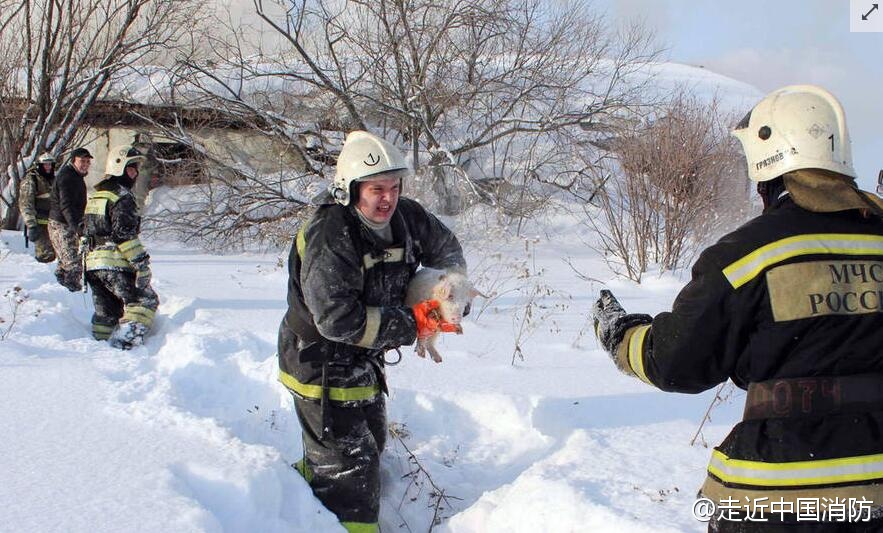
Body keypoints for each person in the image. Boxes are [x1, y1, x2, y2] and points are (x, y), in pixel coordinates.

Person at [593, 85, 883, 531]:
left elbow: (675, 363)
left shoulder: (747, 255)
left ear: (765, 167)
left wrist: (620, 335)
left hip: (780, 499)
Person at [277, 130, 466, 532]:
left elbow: (446, 247)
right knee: (352, 483)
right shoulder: (331, 234)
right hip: (319, 364)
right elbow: (337, 319)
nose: (388, 199)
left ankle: (302, 485)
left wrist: (452, 288)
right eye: (376, 188)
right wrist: (417, 321)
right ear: (350, 189)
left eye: (394, 187)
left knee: (372, 447)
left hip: (364, 358)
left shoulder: (408, 218)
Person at [82, 145, 158, 349]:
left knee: (107, 312)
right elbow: (124, 234)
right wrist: (141, 264)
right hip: (114, 262)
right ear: (119, 167)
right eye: (131, 168)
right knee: (145, 301)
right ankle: (124, 343)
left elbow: (85, 230)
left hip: (92, 265)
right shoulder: (122, 196)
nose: (135, 173)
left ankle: (98, 347)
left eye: (136, 169)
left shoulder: (97, 195)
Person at [48, 147, 92, 291]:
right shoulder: (67, 178)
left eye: (87, 161)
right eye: (82, 161)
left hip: (69, 223)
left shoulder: (76, 176)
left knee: (65, 263)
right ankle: (71, 295)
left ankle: (59, 290)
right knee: (73, 264)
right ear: (73, 161)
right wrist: (76, 227)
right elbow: (66, 205)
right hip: (61, 225)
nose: (85, 164)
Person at [19, 152, 57, 263]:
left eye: (50, 164)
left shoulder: (54, 180)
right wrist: (31, 225)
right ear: (39, 165)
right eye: (45, 165)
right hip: (39, 226)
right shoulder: (31, 181)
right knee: (45, 256)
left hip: (54, 224)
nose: (48, 167)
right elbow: (26, 204)